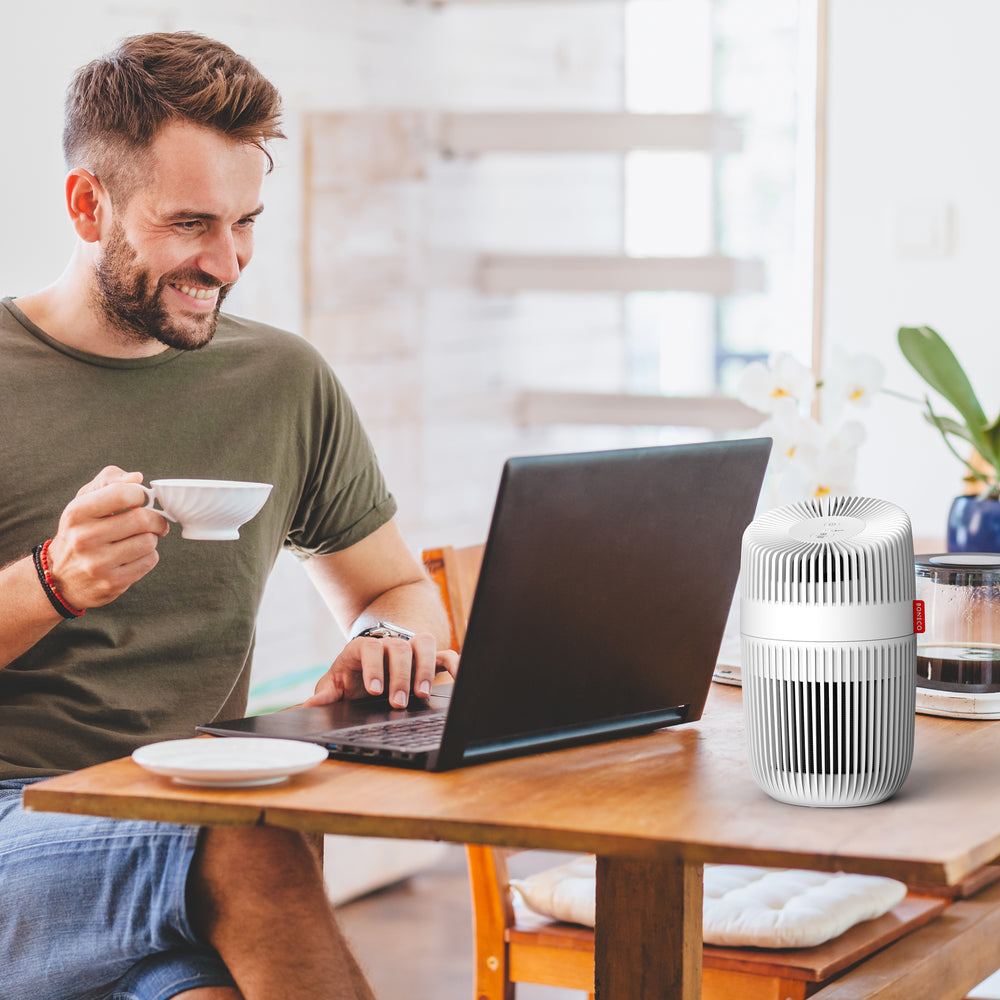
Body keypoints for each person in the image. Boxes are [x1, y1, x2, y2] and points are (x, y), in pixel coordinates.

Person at [0, 30, 458, 1000]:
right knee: (253, 842)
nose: (229, 259)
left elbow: (395, 583)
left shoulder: (283, 381)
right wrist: (51, 581)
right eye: (191, 223)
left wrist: (386, 636)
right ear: (89, 204)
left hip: (182, 810)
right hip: (20, 821)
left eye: (246, 220)